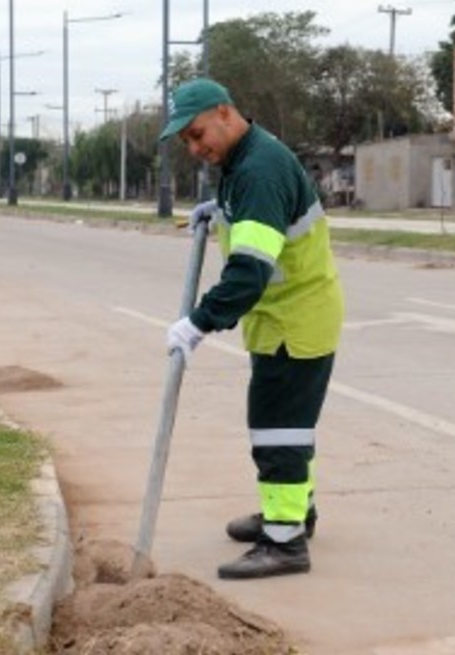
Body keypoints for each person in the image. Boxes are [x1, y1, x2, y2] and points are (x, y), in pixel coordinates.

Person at [160, 78, 344, 580]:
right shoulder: (247, 161)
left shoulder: (258, 170)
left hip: (293, 322)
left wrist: (198, 322)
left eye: (197, 135)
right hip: (287, 317)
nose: (195, 149)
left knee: (277, 430)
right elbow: (260, 220)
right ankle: (295, 513)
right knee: (290, 425)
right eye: (187, 142)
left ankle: (284, 542)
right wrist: (221, 213)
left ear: (224, 112)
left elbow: (249, 273)